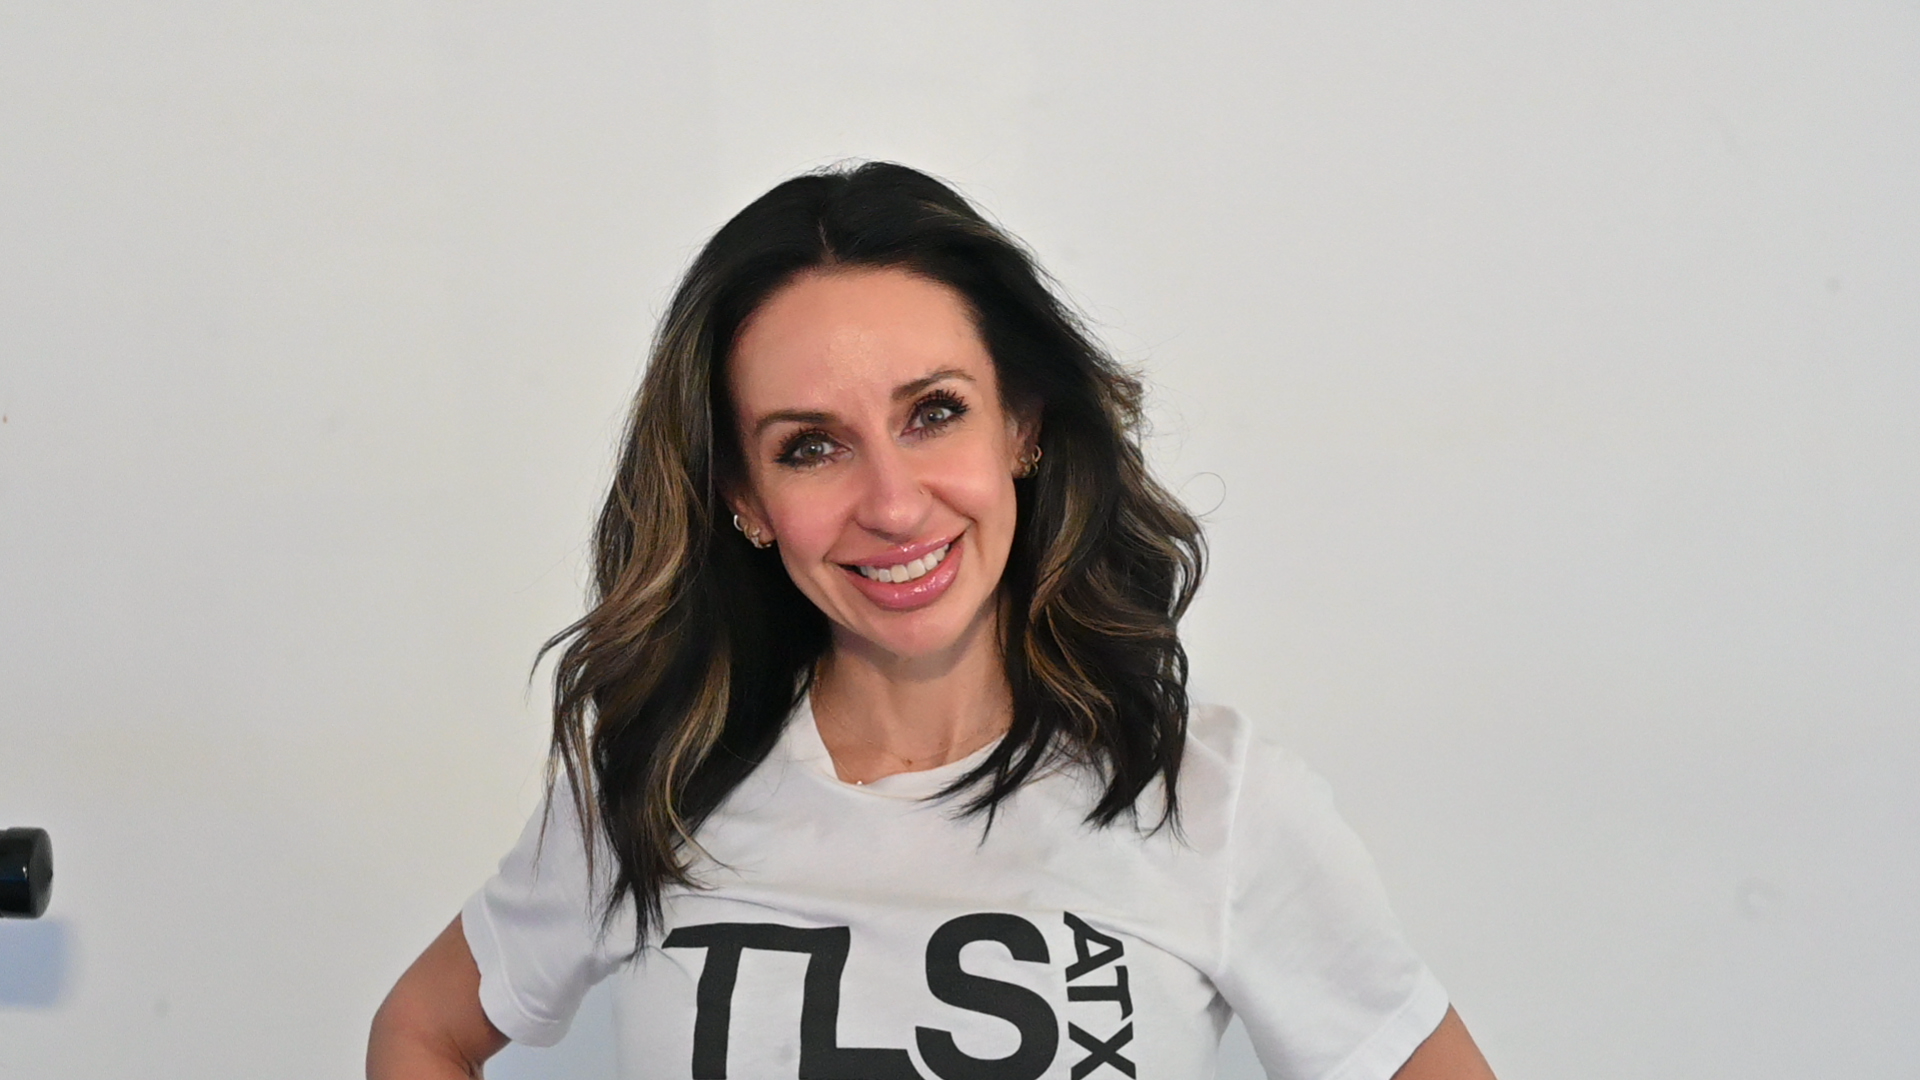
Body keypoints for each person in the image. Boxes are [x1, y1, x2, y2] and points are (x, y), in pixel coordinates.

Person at [366, 162, 1497, 1080]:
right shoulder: (657, 782)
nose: (894, 505)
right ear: (745, 499)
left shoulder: (1208, 799)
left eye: (935, 413)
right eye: (811, 446)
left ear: (1022, 427)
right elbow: (423, 1032)